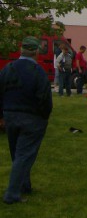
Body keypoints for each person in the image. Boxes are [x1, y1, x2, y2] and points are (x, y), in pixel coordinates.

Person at [0, 36, 53, 204]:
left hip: (10, 115)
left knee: (17, 153)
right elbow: (45, 99)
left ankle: (24, 186)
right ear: (36, 52)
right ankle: (12, 194)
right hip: (32, 118)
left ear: (22, 50)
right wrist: (44, 117)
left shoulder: (8, 68)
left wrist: (1, 116)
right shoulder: (38, 72)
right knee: (24, 155)